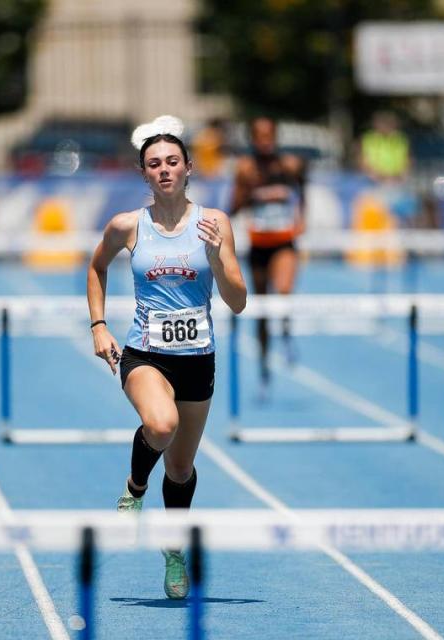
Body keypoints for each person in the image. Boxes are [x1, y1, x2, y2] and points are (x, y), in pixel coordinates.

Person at [87, 115, 246, 599]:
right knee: (160, 424)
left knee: (179, 470)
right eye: (154, 164)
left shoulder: (215, 224)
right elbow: (95, 268)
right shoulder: (127, 226)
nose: (164, 170)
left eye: (172, 161)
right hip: (144, 353)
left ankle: (173, 550)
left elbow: (238, 300)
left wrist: (218, 258)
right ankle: (133, 491)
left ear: (188, 168)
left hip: (198, 358)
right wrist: (98, 325)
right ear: (144, 174)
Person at [229, 116, 305, 392]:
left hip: (284, 241)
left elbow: (302, 191)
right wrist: (254, 195)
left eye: (268, 135)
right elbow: (233, 206)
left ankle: (285, 329)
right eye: (259, 136)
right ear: (252, 138)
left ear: (275, 136)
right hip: (258, 243)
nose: (264, 141)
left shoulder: (290, 165)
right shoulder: (246, 169)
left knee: (283, 291)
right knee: (261, 309)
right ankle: (263, 363)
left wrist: (301, 219)